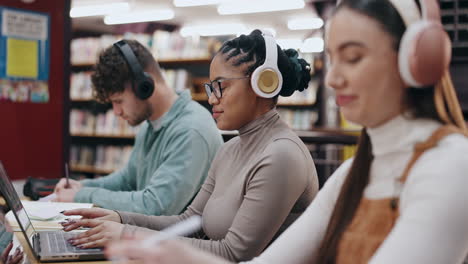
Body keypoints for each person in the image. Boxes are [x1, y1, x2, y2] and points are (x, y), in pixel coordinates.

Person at [104, 0, 468, 263]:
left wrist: (140, 238)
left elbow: (236, 254)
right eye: (333, 59)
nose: (335, 78)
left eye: (353, 57)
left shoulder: (452, 165)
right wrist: (149, 242)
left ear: (414, 59)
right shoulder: (354, 172)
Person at [59, 29, 319, 262]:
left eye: (221, 87)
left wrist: (126, 233)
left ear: (263, 83)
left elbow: (234, 254)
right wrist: (118, 217)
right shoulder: (230, 149)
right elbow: (190, 222)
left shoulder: (282, 155)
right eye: (210, 88)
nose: (212, 99)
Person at [53, 40, 223, 215]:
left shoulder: (191, 131)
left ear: (144, 86)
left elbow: (155, 207)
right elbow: (128, 180)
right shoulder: (150, 125)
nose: (116, 112)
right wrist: (81, 186)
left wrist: (82, 196)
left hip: (181, 241)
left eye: (118, 101)